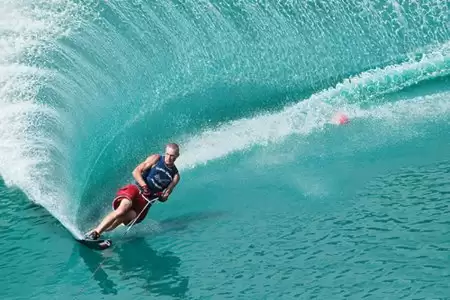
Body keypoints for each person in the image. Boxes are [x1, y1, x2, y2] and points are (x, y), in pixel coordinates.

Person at [84, 143, 181, 240]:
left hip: (145, 202)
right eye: (167, 154)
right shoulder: (156, 159)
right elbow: (136, 171)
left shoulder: (175, 176)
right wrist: (144, 186)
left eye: (172, 156)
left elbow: (166, 196)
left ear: (177, 156)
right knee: (121, 211)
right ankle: (96, 232)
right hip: (136, 190)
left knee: (119, 221)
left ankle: (94, 231)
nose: (168, 158)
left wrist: (162, 197)